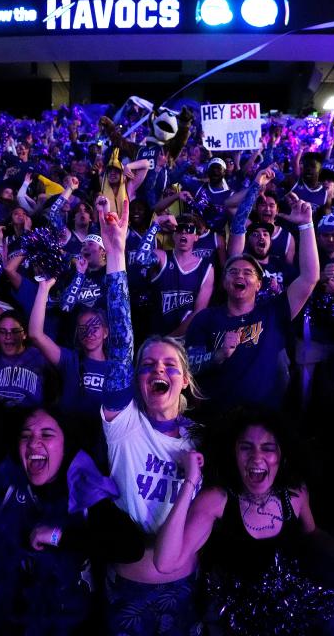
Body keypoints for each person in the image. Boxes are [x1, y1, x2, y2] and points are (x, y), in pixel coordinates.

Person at [153, 409, 334, 635]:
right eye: (245, 448)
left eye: (268, 448)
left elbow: (312, 534)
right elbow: (165, 563)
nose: (256, 457)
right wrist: (191, 481)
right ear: (233, 454)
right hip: (232, 623)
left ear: (281, 457)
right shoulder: (217, 500)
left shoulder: (295, 495)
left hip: (289, 616)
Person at [98, 194, 205, 634]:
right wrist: (117, 254)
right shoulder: (123, 424)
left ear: (185, 380)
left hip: (187, 587)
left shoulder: (199, 438)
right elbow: (122, 341)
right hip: (128, 593)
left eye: (169, 366)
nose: (156, 370)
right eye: (147, 365)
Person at [0, 405, 146, 635]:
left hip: (72, 625)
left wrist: (57, 535)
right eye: (26, 436)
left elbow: (131, 546)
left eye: (47, 434)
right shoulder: (8, 488)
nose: (33, 443)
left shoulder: (84, 488)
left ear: (66, 446)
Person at [186, 168, 320, 411]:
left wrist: (307, 225)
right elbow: (189, 364)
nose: (240, 275)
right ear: (224, 282)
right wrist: (216, 356)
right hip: (220, 420)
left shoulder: (273, 313)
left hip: (264, 418)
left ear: (260, 283)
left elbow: (310, 277)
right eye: (233, 272)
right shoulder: (206, 319)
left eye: (248, 272)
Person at [29, 277, 109, 424]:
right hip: (70, 434)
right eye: (83, 329)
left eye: (94, 328)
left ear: (105, 332)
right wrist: (43, 289)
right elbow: (35, 335)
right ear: (77, 333)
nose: (89, 333)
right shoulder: (69, 359)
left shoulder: (116, 368)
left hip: (102, 439)